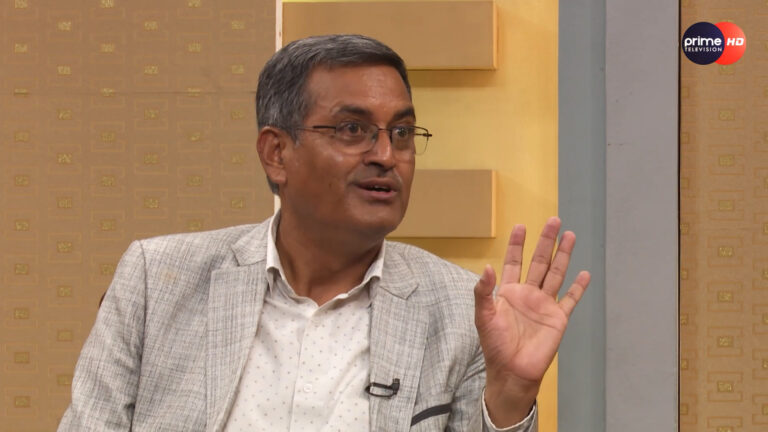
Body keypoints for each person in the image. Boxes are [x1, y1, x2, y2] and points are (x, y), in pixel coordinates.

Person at [58, 34, 589, 431]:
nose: (386, 155)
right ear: (276, 152)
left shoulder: (462, 312)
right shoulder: (157, 280)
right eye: (353, 129)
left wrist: (511, 395)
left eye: (402, 132)